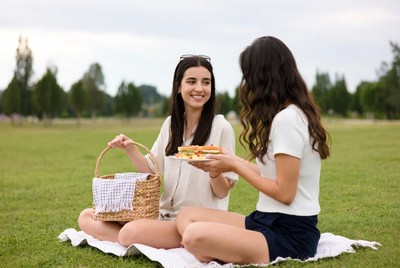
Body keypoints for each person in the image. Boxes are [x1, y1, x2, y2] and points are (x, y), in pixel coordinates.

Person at [175, 36, 331, 265]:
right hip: (265, 220)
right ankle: (211, 247)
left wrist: (235, 165)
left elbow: (285, 194)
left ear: (263, 76)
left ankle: (206, 247)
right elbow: (273, 175)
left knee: (193, 235)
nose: (246, 83)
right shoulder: (287, 115)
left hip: (289, 234)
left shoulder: (288, 120)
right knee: (187, 215)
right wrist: (228, 159)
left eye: (248, 74)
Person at [78, 54, 238, 249]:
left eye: (206, 82)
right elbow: (151, 169)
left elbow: (222, 193)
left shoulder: (221, 127)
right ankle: (140, 238)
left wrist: (213, 171)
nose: (199, 88)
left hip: (194, 223)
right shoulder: (171, 124)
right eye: (192, 81)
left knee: (130, 232)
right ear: (179, 87)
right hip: (162, 215)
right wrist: (130, 148)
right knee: (87, 216)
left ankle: (138, 238)